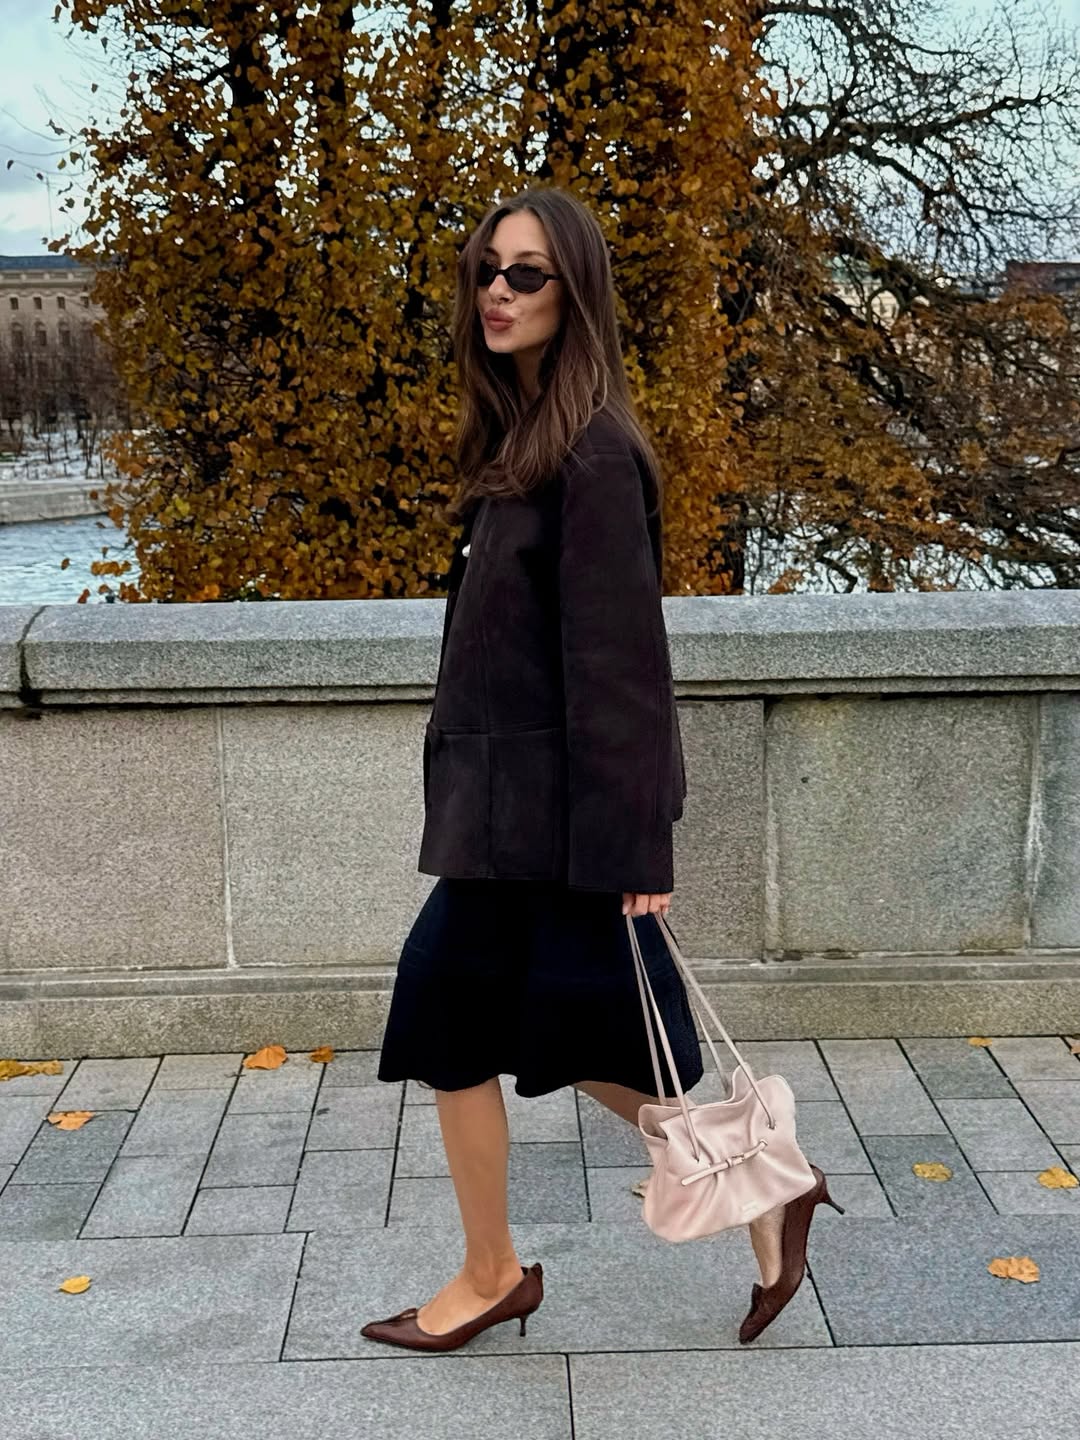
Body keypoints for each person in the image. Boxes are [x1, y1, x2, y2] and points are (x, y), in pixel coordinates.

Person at [361, 186, 834, 1354]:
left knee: (458, 1021)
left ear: (577, 296)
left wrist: (637, 848)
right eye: (487, 270)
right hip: (505, 822)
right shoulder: (522, 442)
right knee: (545, 1040)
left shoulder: (594, 454)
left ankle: (497, 1272)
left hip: (557, 830)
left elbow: (624, 669)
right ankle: (760, 1188)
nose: (497, 293)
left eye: (527, 275)